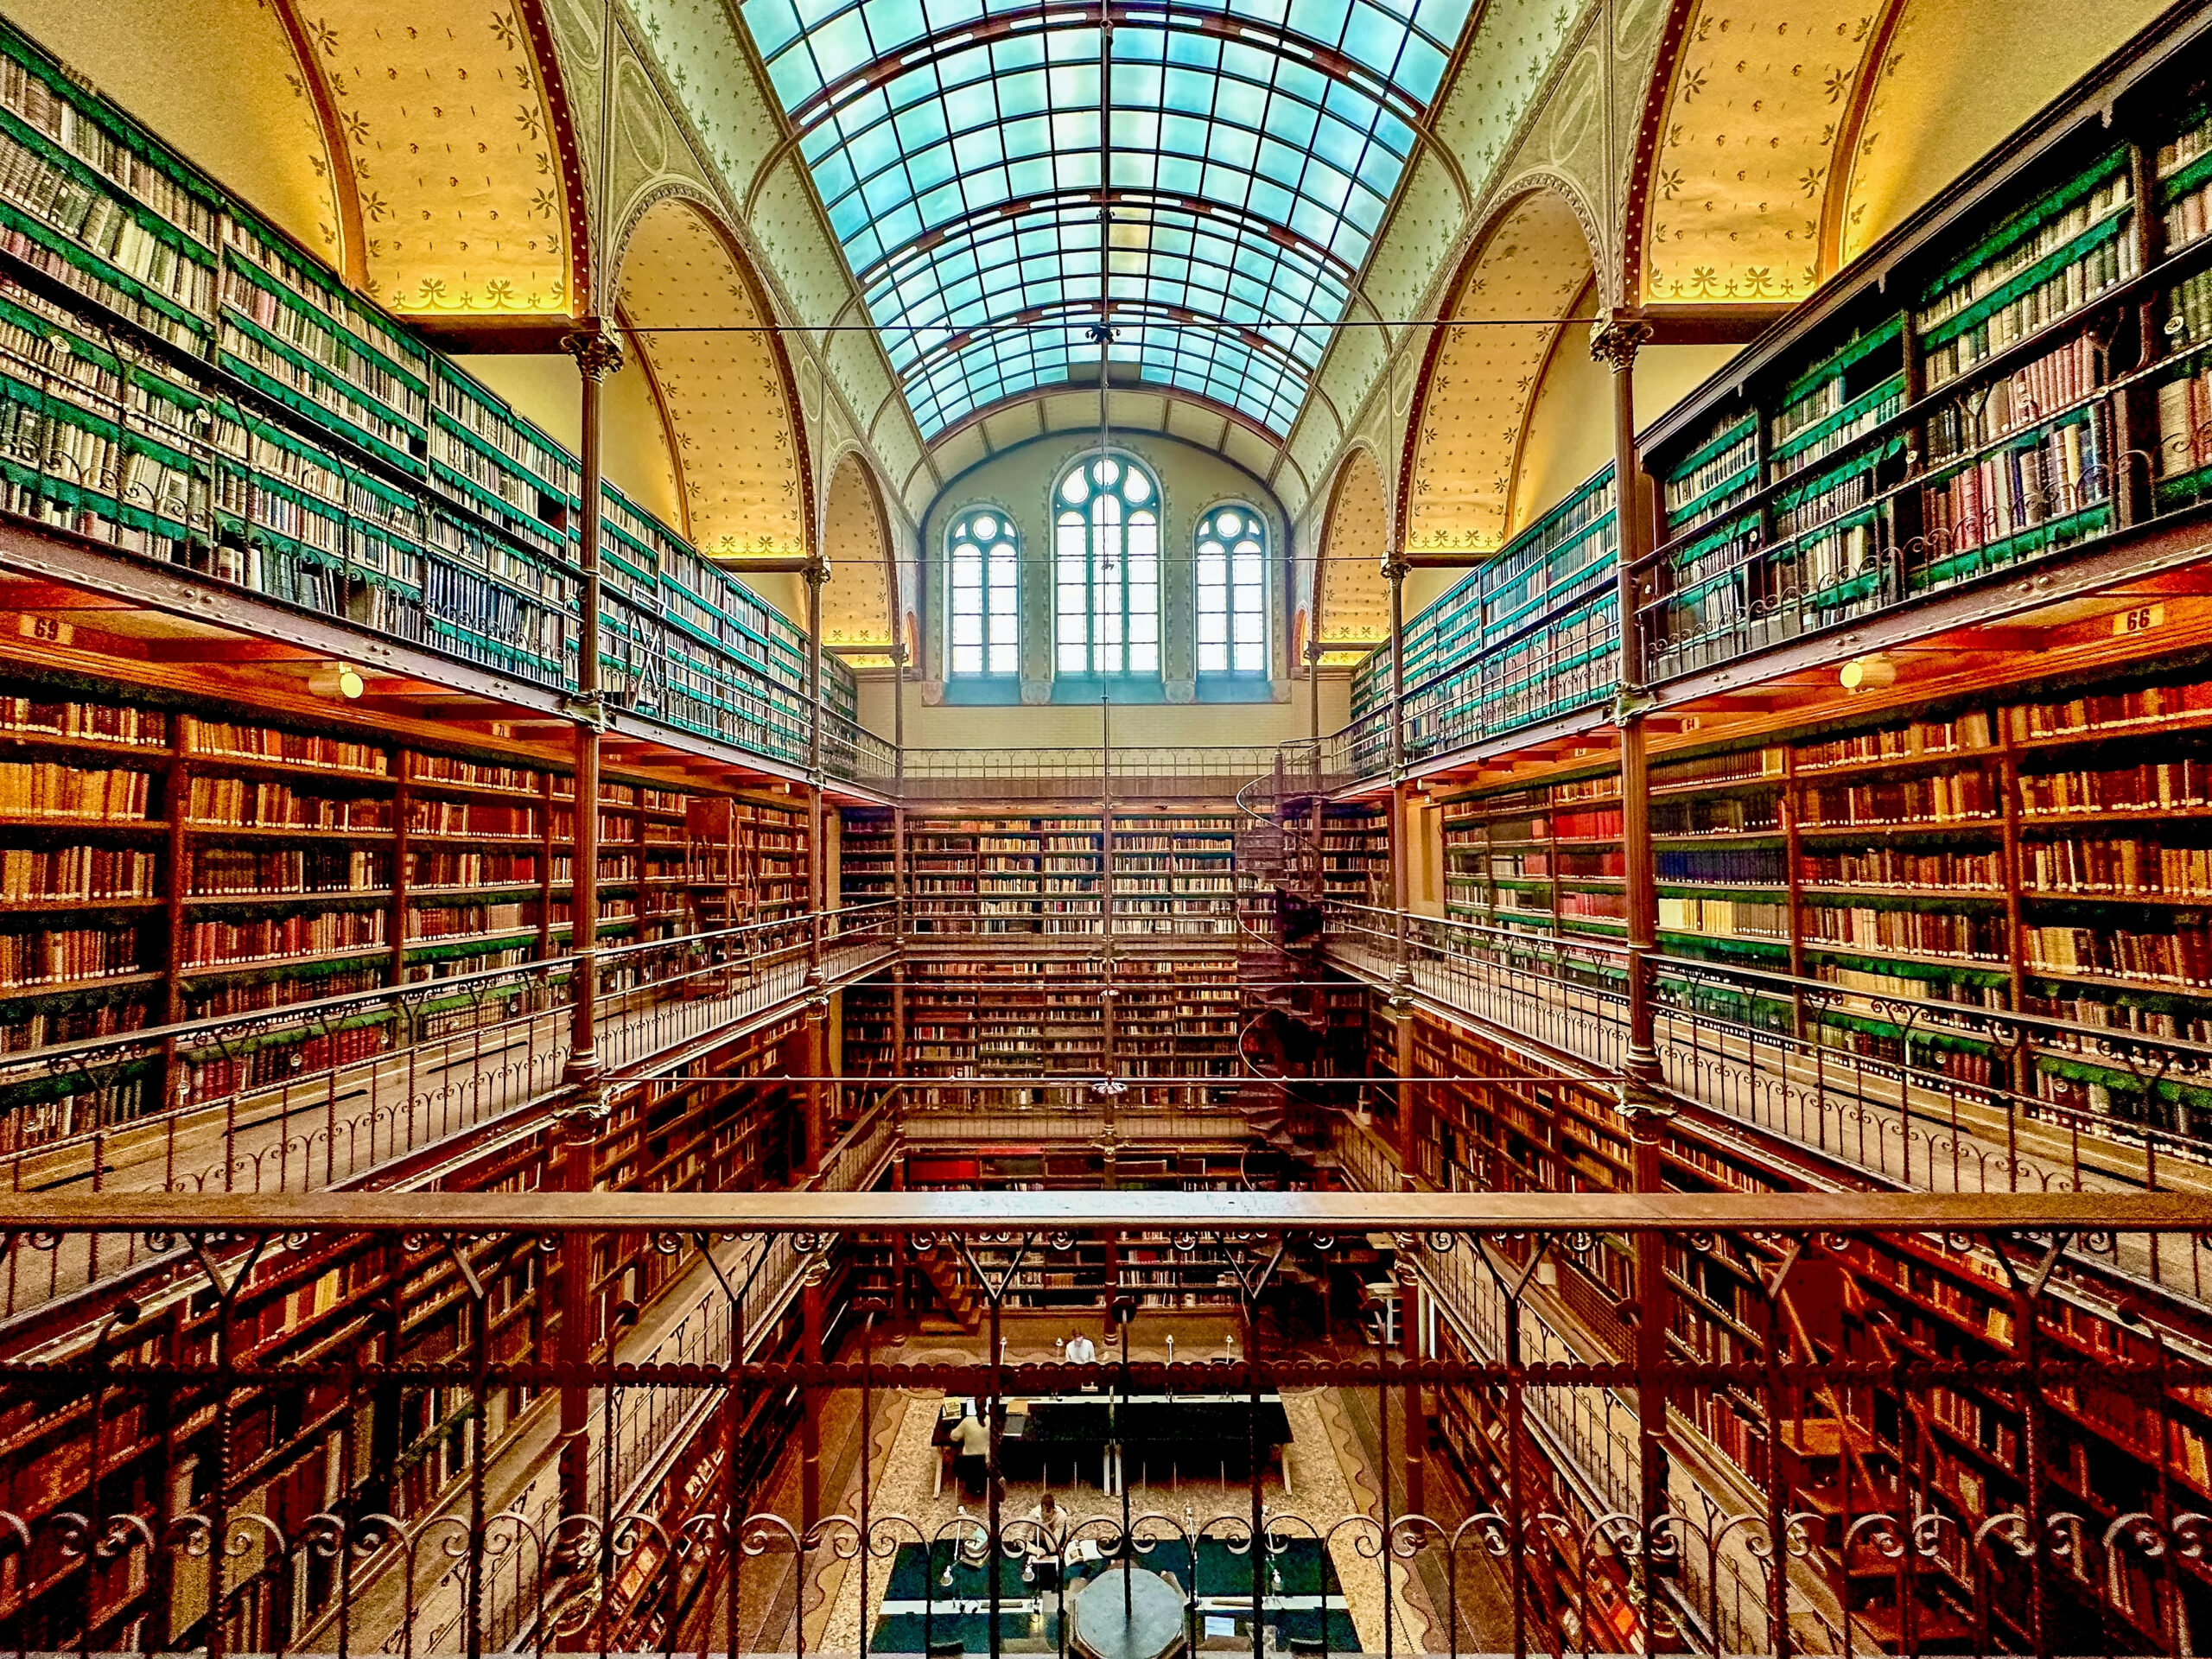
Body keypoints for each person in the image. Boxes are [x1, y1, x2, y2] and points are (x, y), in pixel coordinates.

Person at [1022, 1490, 1070, 1587]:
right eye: (1043, 1511)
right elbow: (1020, 1535)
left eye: (1048, 1511)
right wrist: (1033, 1549)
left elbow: (1053, 1548)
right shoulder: (1035, 1513)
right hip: (1038, 1544)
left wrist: (1045, 1526)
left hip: (1056, 1543)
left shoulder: (1061, 1516)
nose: (1045, 1514)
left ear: (1054, 1510)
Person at [950, 1403, 991, 1497]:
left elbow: (954, 1437)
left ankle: (971, 1488)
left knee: (953, 1454)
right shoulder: (990, 1420)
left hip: (966, 1467)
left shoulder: (967, 1421)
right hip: (985, 1466)